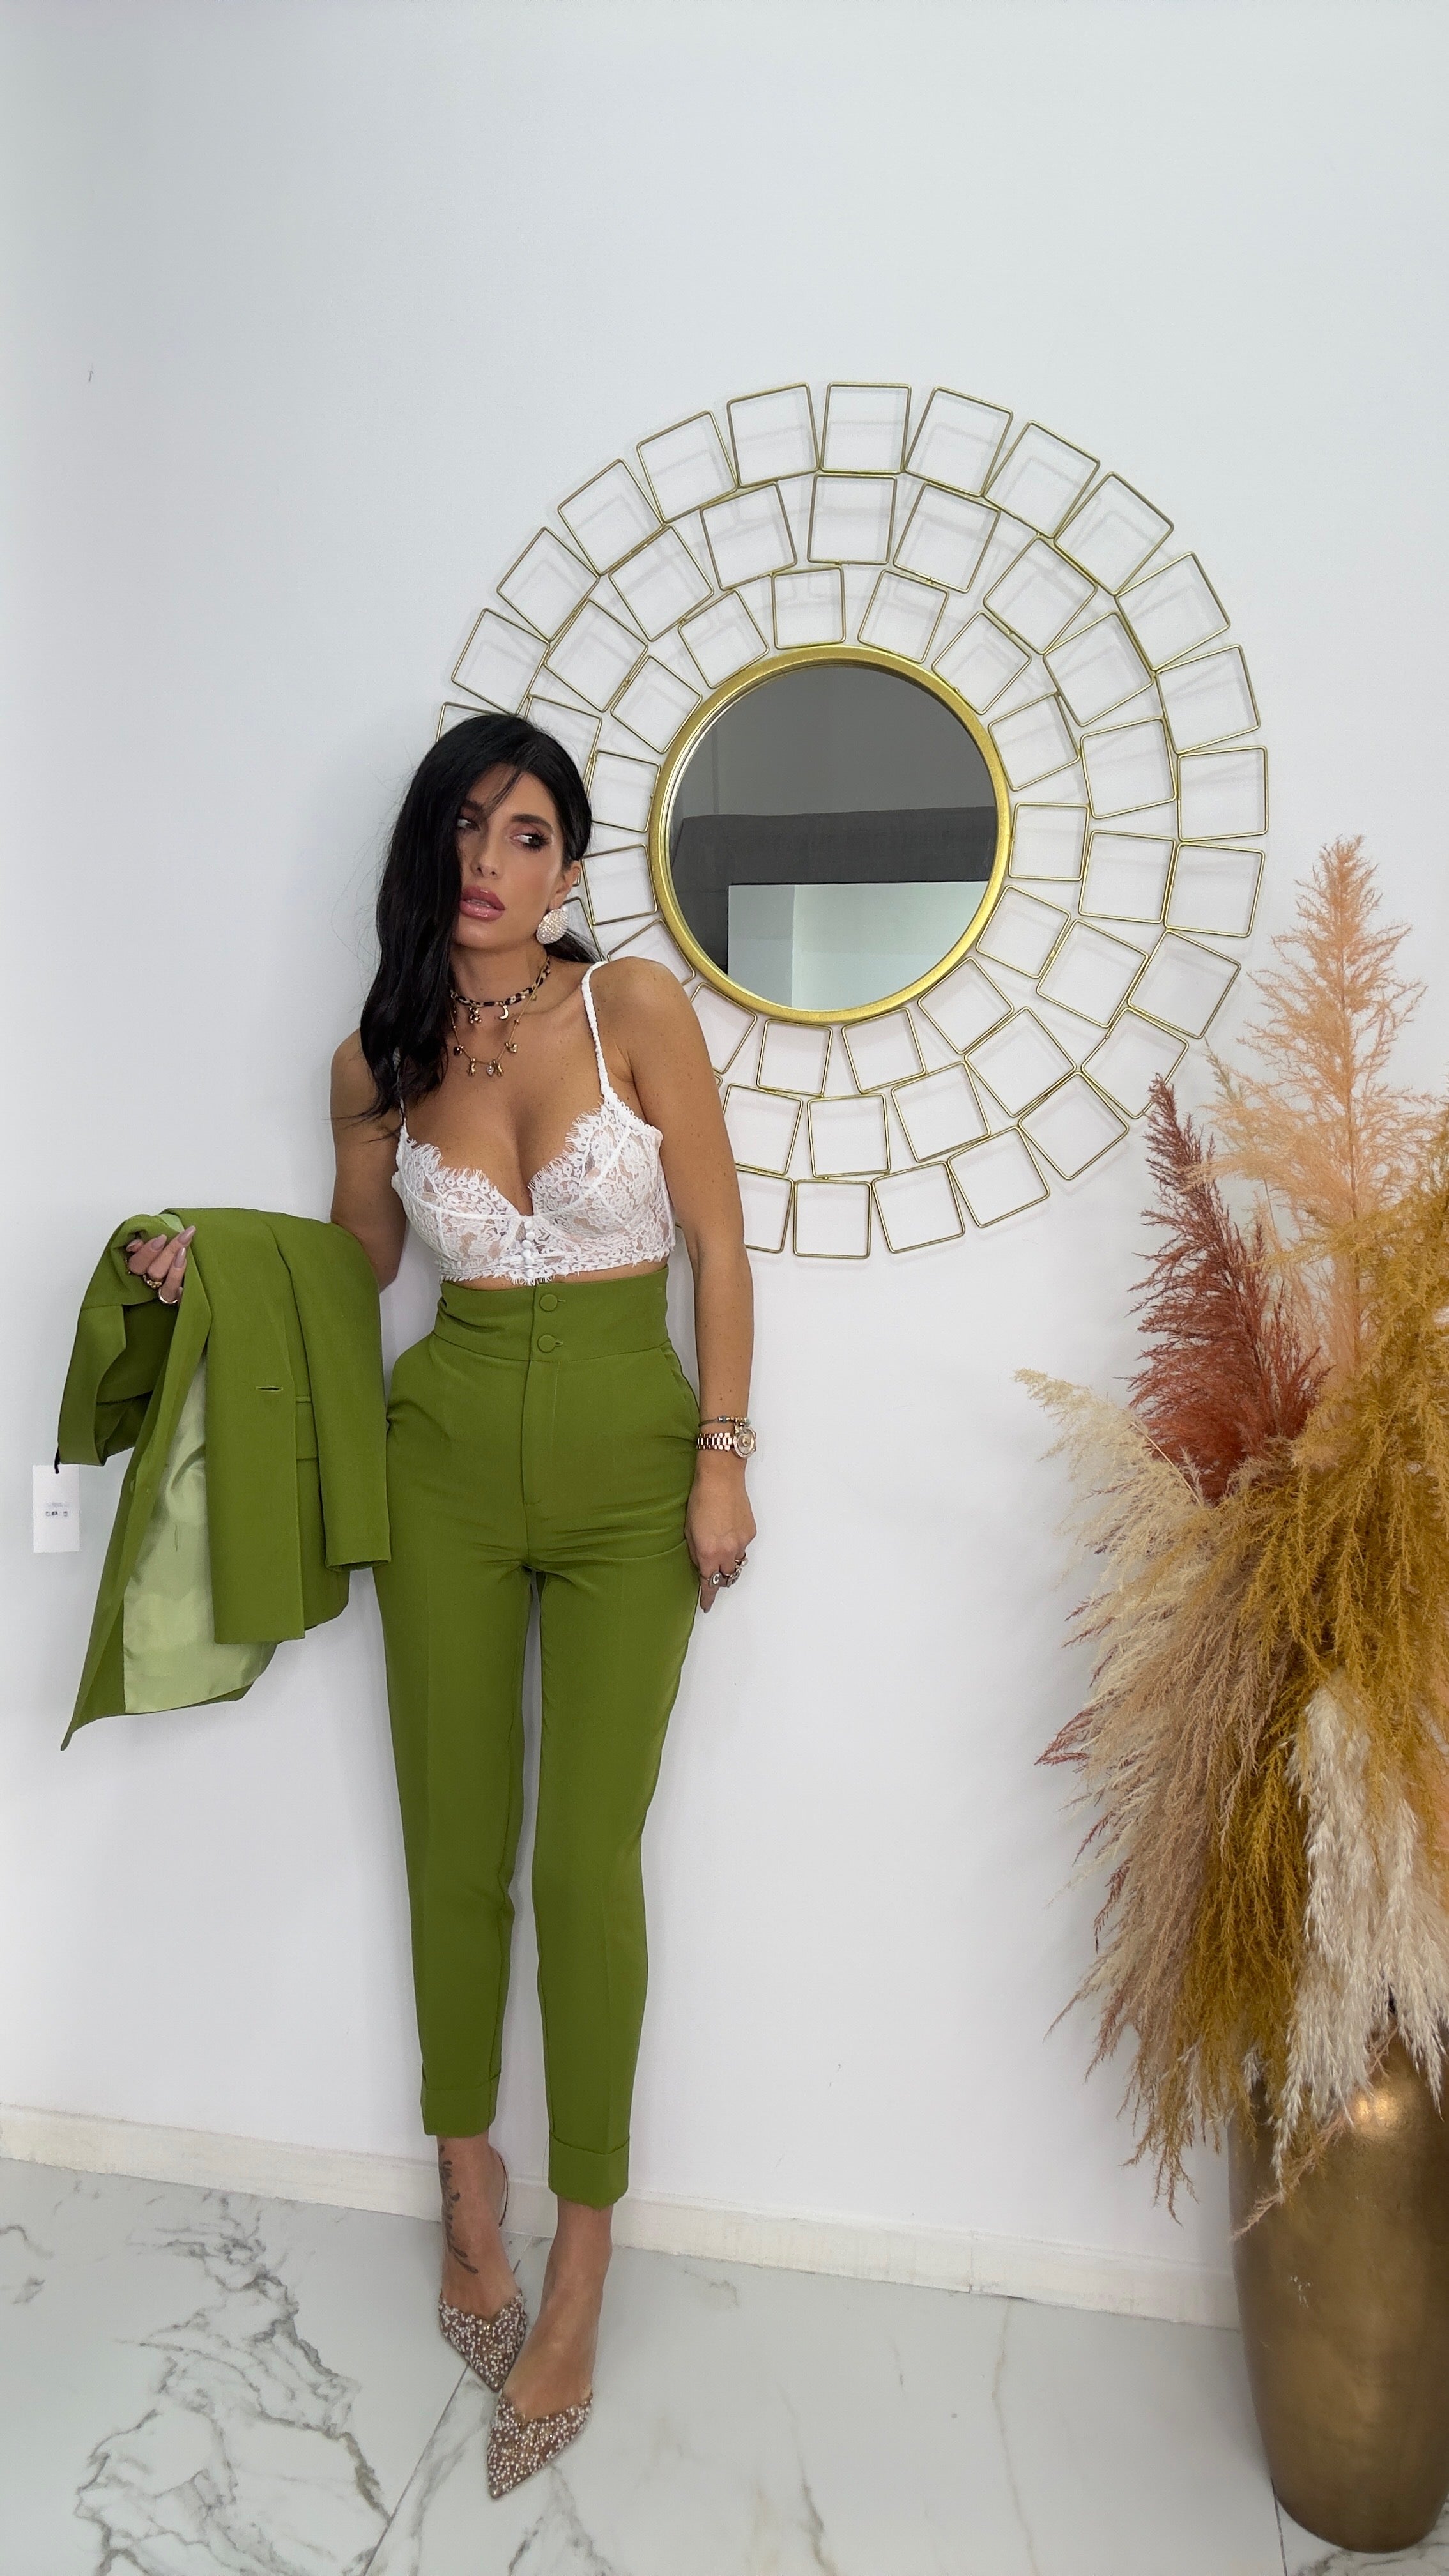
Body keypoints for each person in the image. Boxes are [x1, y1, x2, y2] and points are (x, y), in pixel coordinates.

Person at [128, 710, 755, 2497]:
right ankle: (464, 2185)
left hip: (632, 1458)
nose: (494, 861)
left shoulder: (633, 1009)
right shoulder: (378, 1054)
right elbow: (361, 1263)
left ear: (569, 864)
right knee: (452, 1839)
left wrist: (722, 1452)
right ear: (428, 848)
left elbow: (718, 1242)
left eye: (530, 833)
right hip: (448, 1458)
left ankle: (585, 2254)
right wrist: (216, 1269)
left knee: (585, 1865)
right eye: (468, 828)